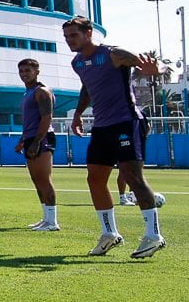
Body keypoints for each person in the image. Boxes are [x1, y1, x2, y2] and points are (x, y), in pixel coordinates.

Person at [63, 16, 166, 259]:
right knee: (95, 179)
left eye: (74, 35)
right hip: (101, 126)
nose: (69, 41)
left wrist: (156, 70)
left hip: (126, 122)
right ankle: (109, 233)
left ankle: (153, 236)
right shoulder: (77, 62)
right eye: (67, 37)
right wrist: (78, 113)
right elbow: (87, 87)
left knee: (132, 177)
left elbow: (155, 65)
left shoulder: (114, 54)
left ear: (89, 33)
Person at [16, 58, 59, 231]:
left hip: (41, 139)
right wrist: (22, 141)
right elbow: (29, 122)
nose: (24, 74)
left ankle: (53, 221)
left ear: (37, 71)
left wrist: (36, 142)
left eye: (28, 70)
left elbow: (46, 118)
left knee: (44, 179)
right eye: (21, 71)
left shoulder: (41, 92)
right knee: (36, 180)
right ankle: (46, 218)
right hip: (30, 138)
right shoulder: (27, 93)